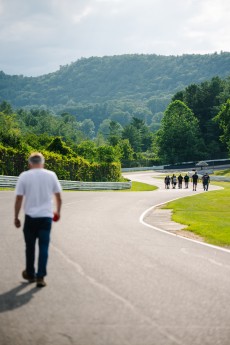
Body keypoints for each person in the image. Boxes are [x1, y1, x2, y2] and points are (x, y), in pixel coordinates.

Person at [14, 152, 62, 288]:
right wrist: (58, 212)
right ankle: (40, 276)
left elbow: (18, 198)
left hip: (30, 218)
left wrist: (16, 217)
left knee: (29, 247)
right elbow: (58, 196)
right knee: (44, 247)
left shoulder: (24, 176)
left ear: (30, 163)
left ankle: (30, 273)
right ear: (43, 163)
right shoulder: (51, 175)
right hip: (46, 218)